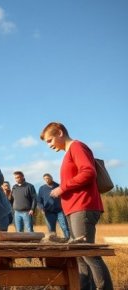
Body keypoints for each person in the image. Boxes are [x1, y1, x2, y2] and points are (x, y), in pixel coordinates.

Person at [40, 122, 113, 289]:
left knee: (88, 253)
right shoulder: (69, 152)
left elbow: (88, 172)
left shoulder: (77, 147)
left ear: (59, 133)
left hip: (83, 206)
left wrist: (62, 188)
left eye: (50, 140)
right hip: (74, 209)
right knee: (80, 255)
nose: (49, 146)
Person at [37, 173, 70, 240]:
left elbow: (65, 198)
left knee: (65, 227)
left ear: (51, 178)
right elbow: (39, 201)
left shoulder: (59, 186)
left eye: (48, 178)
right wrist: (41, 208)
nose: (47, 180)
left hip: (60, 211)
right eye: (45, 179)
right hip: (48, 212)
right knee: (51, 230)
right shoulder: (42, 188)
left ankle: (68, 240)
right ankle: (53, 243)